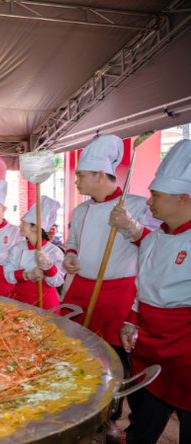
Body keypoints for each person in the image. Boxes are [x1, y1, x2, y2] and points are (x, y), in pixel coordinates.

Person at [61, 136, 159, 443]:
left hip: (117, 292)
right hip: (80, 288)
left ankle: (110, 417)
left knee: (115, 358)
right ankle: (75, 405)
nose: (76, 180)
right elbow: (73, 241)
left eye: (81, 175)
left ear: (100, 176)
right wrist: (70, 255)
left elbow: (158, 247)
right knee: (74, 350)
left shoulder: (137, 205)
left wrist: (132, 227)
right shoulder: (79, 211)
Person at [118, 140, 191, 444]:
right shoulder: (152, 239)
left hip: (185, 345)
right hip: (149, 342)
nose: (149, 203)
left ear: (183, 199)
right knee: (144, 415)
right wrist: (132, 320)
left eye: (156, 196)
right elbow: (143, 287)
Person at [3, 196, 65, 311]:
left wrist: (48, 266)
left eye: (23, 223)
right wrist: (28, 274)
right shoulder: (17, 248)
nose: (20, 226)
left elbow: (57, 282)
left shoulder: (54, 251)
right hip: (19, 301)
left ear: (35, 227)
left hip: (45, 303)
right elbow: (8, 275)